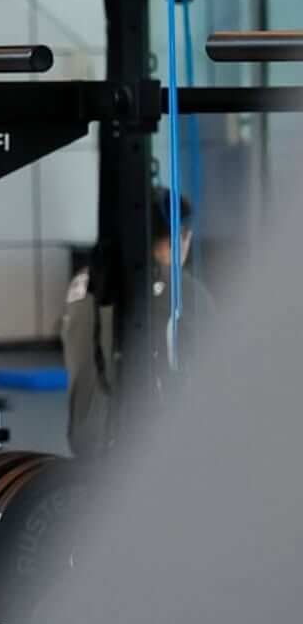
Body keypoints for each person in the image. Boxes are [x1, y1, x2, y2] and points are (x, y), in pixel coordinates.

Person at [63, 188, 216, 458]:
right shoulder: (185, 292)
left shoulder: (83, 282)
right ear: (176, 240)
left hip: (86, 442)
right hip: (149, 450)